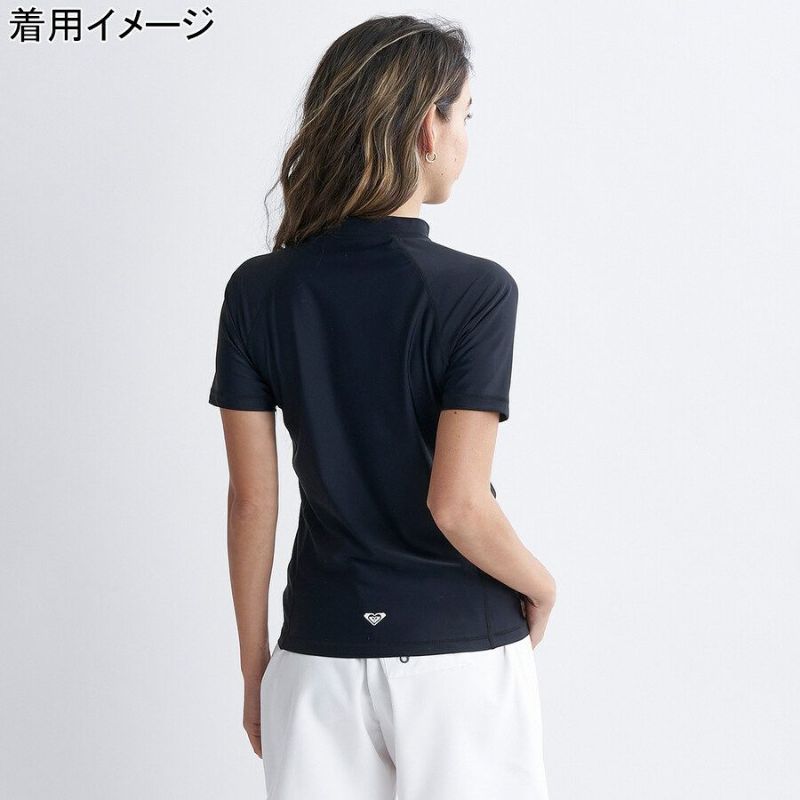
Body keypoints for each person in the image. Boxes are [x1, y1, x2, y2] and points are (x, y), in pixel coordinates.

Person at [208, 13, 556, 800]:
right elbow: (458, 505)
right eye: (465, 116)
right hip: (458, 659)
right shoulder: (476, 291)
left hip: (317, 657)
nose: (464, 139)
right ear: (428, 127)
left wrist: (256, 664)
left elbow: (252, 500)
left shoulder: (258, 290)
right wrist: (541, 584)